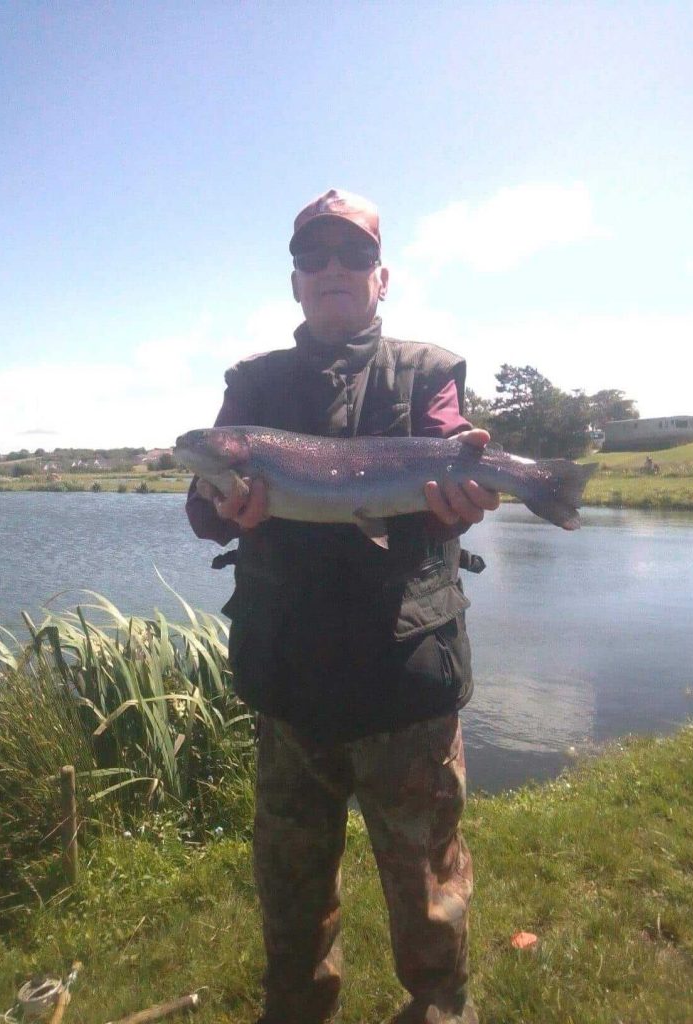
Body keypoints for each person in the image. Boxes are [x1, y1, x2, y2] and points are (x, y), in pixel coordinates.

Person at [186, 189, 499, 1024]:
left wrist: (458, 493)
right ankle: (297, 1011)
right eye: (314, 257)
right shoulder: (250, 386)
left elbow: (448, 442)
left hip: (406, 682)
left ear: (381, 277)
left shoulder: (429, 371)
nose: (333, 270)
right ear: (294, 281)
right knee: (290, 890)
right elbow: (199, 503)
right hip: (289, 684)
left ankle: (439, 1010)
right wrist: (221, 506)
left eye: (352, 257)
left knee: (427, 887)